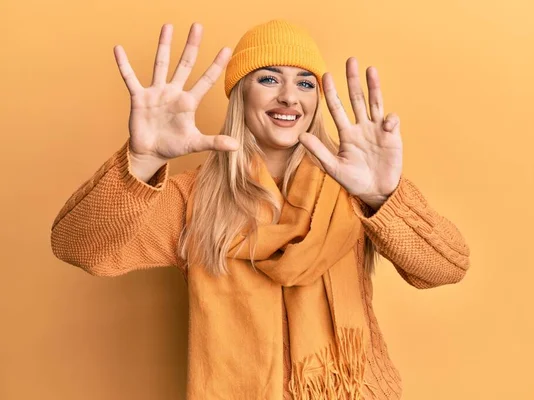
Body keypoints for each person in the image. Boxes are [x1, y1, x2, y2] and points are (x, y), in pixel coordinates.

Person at [51, 19, 471, 400]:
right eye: (269, 79)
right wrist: (140, 161)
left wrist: (384, 196)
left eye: (306, 83)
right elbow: (80, 248)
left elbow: (446, 268)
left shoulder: (353, 184)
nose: (289, 97)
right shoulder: (194, 198)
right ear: (239, 95)